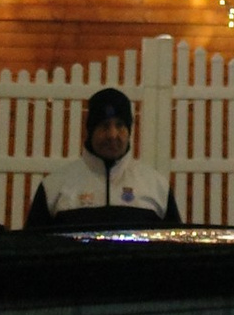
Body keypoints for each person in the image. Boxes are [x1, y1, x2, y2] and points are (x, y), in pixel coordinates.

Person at [25, 87, 181, 230]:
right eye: (104, 126)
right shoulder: (54, 187)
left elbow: (176, 253)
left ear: (129, 131)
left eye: (120, 125)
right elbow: (33, 252)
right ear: (90, 131)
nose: (112, 135)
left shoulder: (156, 187)